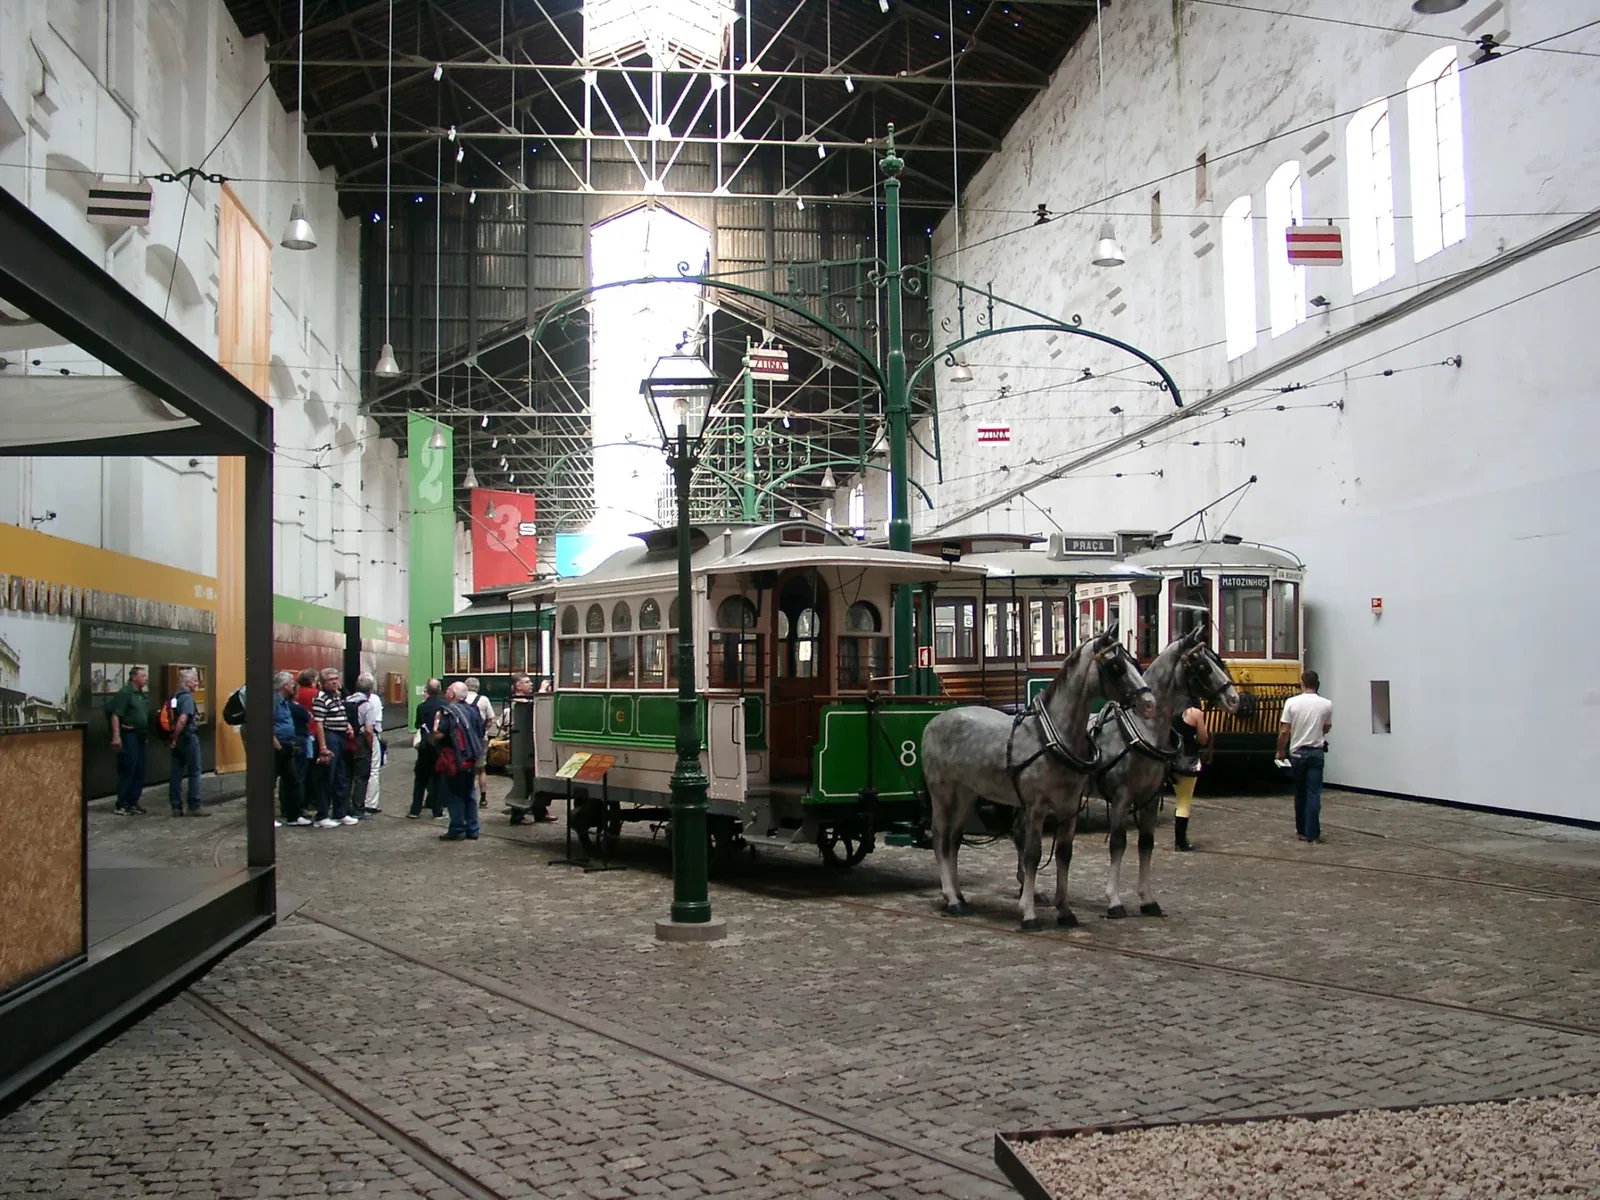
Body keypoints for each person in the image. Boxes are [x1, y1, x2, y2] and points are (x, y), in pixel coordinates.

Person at [1277, 669, 1334, 843]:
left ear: (1302, 683)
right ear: (1317, 684)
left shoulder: (1291, 703)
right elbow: (1326, 728)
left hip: (1298, 753)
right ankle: (1313, 833)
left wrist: (1280, 750)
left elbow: (1284, 731)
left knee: (1300, 792)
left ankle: (1301, 830)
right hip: (1316, 752)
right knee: (1314, 792)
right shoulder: (1326, 704)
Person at [435, 681, 486, 841]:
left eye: (449, 690)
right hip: (471, 756)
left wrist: (435, 725)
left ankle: (457, 828)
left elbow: (440, 734)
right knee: (469, 792)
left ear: (453, 695)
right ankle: (473, 828)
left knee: (454, 794)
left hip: (454, 758)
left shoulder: (447, 712)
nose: (446, 692)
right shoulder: (473, 710)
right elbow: (480, 731)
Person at [311, 667, 357, 828]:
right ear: (323, 683)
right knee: (326, 777)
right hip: (330, 737)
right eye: (331, 679)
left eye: (336, 678)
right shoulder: (321, 698)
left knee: (340, 777)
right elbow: (319, 723)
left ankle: (340, 812)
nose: (335, 682)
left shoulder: (336, 697)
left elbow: (340, 714)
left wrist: (347, 725)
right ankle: (322, 815)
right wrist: (323, 746)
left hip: (340, 737)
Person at [163, 667, 208, 816]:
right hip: (188, 737)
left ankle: (176, 806)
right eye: (195, 680)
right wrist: (176, 735)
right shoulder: (187, 698)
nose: (196, 683)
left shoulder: (175, 697)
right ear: (187, 682)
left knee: (176, 772)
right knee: (194, 771)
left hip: (177, 740)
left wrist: (173, 738)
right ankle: (194, 805)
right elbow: (183, 719)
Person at [106, 665, 150, 815]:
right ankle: (122, 803)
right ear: (134, 677)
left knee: (140, 769)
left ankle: (133, 801)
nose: (146, 678)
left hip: (140, 736)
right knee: (128, 768)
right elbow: (116, 715)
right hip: (128, 735)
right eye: (143, 676)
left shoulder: (141, 695)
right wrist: (116, 736)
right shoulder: (125, 693)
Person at [1170, 701, 1211, 851]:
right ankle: (1180, 841)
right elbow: (1203, 739)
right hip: (1187, 758)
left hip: (1169, 757)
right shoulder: (1195, 713)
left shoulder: (1170, 707)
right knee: (1184, 800)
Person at [271, 672, 310, 827]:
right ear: (284, 685)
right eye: (292, 683)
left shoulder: (285, 701)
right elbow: (268, 724)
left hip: (288, 745)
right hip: (277, 746)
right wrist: (277, 746)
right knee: (270, 782)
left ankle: (294, 815)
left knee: (292, 780)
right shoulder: (273, 701)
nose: (294, 686)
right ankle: (267, 816)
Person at [409, 679, 448, 820]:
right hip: (440, 747)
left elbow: (418, 724)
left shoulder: (421, 707)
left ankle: (414, 810)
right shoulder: (445, 706)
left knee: (420, 779)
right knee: (438, 780)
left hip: (425, 747)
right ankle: (437, 811)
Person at [345, 672, 382, 817]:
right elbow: (368, 730)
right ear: (370, 689)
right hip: (361, 741)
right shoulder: (368, 705)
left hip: (347, 740)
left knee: (348, 775)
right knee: (362, 775)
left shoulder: (347, 700)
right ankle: (358, 807)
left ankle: (344, 806)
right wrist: (371, 744)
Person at [463, 676, 496, 810]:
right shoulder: (483, 700)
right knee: (481, 769)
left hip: (464, 740)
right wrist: (482, 732)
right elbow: (490, 720)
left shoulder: (460, 700)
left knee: (464, 768)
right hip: (480, 739)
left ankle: (465, 795)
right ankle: (483, 798)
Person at [296, 668, 323, 818]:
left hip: (299, 734)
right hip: (312, 734)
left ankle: (299, 802)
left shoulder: (296, 694)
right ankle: (311, 801)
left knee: (299, 772)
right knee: (313, 771)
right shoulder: (315, 695)